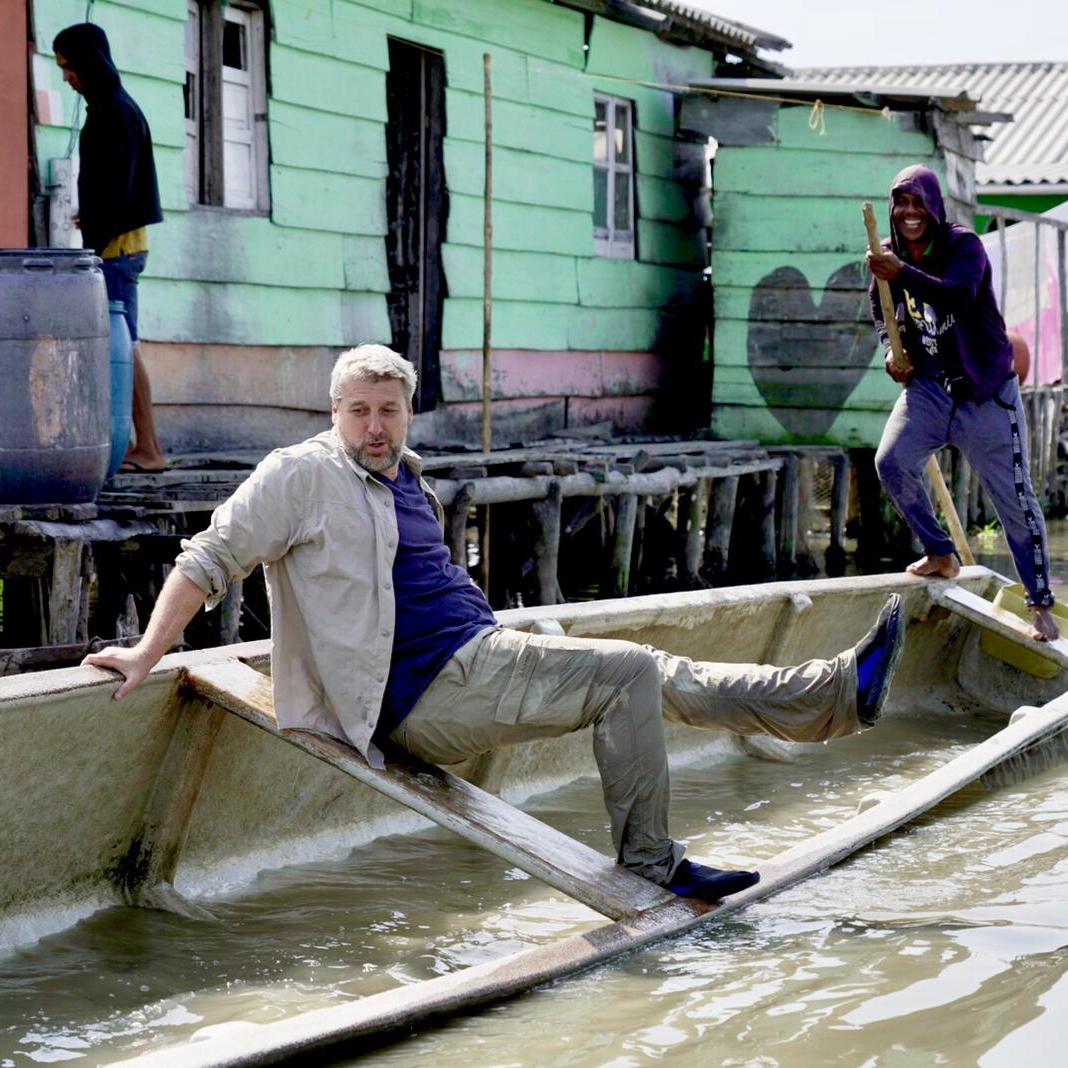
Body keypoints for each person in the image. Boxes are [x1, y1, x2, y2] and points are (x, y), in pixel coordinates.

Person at [84, 345, 905, 903]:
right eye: (360, 411)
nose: (375, 427)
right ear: (334, 411)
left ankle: (832, 696)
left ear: (409, 413)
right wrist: (149, 653)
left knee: (653, 672)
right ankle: (654, 863)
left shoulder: (406, 477)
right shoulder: (300, 475)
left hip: (478, 657)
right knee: (629, 673)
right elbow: (209, 556)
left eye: (389, 411)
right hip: (421, 694)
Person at [867, 165, 1058, 642]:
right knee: (891, 461)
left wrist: (901, 272)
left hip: (984, 391)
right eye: (901, 203)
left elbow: (958, 296)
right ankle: (941, 553)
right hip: (930, 389)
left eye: (919, 203)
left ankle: (1039, 603)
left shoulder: (963, 246)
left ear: (935, 208)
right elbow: (880, 306)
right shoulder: (887, 256)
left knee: (1014, 502)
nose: (910, 212)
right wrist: (891, 349)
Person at [53, 23, 167, 473]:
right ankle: (142, 445)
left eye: (69, 67)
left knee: (125, 347)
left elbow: (119, 187)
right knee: (125, 345)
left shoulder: (112, 111)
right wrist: (94, 216)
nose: (66, 76)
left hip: (116, 250)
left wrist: (92, 247)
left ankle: (149, 448)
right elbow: (120, 185)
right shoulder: (115, 106)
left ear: (88, 63)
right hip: (122, 244)